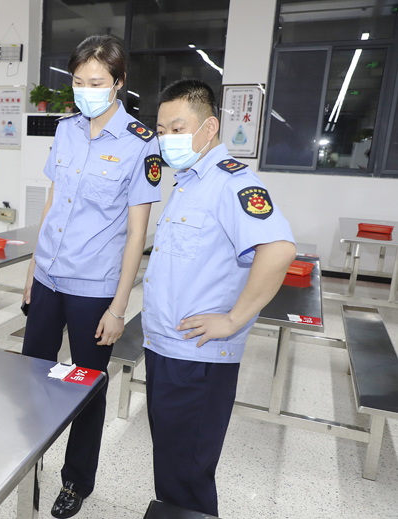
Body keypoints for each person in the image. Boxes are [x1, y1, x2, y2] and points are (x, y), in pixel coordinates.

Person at [142, 79, 297, 516]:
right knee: (173, 465)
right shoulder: (190, 182)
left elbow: (279, 249)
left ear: (209, 127)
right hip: (168, 348)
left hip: (200, 357)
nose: (166, 138)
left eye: (177, 128)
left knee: (187, 473)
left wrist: (232, 320)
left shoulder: (231, 183)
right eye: (161, 129)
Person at [21, 35, 160, 518]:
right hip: (49, 280)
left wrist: (119, 307)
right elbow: (53, 203)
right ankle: (26, 470)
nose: (85, 90)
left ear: (119, 84)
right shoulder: (66, 130)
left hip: (94, 290)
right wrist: (33, 270)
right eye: (78, 81)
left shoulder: (142, 144)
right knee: (29, 380)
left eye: (95, 82)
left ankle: (76, 481)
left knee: (85, 388)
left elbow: (137, 235)